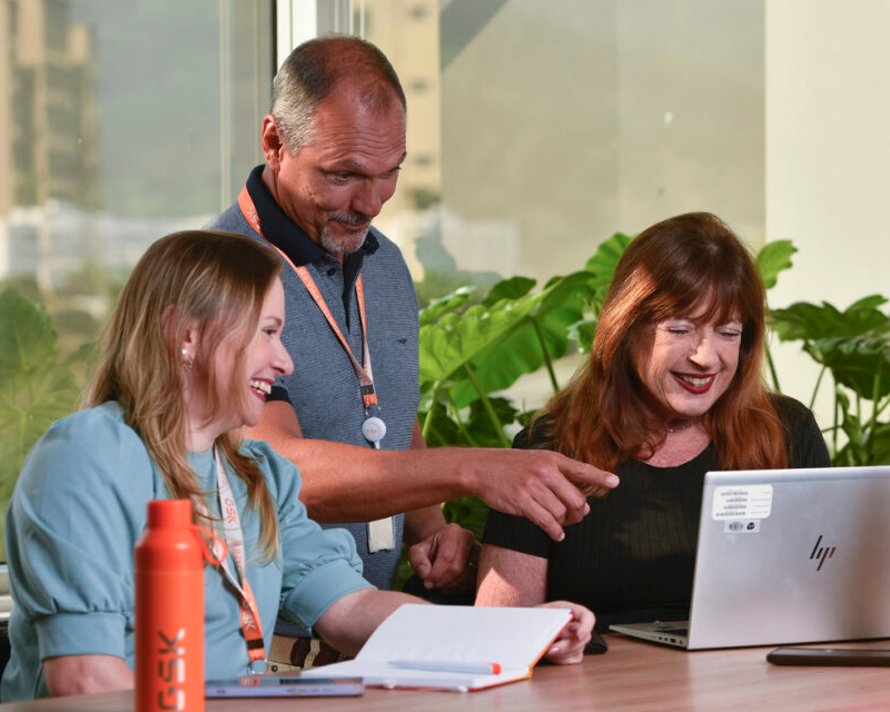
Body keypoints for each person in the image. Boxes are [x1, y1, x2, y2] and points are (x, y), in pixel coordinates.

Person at [0, 231, 593, 701]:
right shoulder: (88, 457)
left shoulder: (255, 472)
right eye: (268, 333)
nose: (283, 361)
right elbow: (83, 682)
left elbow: (352, 608)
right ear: (187, 335)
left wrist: (516, 633)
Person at [206, 33, 618, 613]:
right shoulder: (216, 274)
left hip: (369, 630)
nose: (372, 202)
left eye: (390, 171)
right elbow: (274, 467)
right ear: (275, 141)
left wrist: (430, 526)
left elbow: (385, 413)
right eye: (345, 174)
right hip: (267, 655)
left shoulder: (386, 262)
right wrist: (472, 470)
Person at [476, 212, 832, 633]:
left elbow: (827, 602)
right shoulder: (550, 448)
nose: (705, 356)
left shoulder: (788, 431)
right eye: (680, 329)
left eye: (728, 333)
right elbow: (500, 635)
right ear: (625, 328)